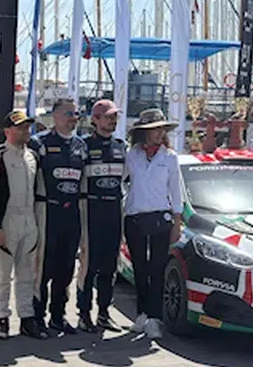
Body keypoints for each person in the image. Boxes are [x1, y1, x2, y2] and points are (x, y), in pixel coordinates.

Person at [124, 109, 183, 340]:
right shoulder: (131, 155)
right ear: (143, 133)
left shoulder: (169, 157)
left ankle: (155, 318)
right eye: (154, 130)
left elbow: (176, 191)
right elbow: (121, 180)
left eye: (161, 129)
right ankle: (141, 314)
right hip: (135, 216)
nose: (159, 133)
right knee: (139, 268)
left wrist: (177, 222)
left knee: (157, 269)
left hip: (160, 217)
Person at [32, 98, 88, 335]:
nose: (73, 118)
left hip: (71, 214)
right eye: (67, 114)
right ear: (54, 116)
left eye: (75, 114)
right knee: (43, 267)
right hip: (48, 213)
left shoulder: (81, 146)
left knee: (65, 268)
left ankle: (58, 316)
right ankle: (37, 317)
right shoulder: (39, 143)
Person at [0, 110, 44, 340]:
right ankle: (2, 319)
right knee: (3, 274)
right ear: (7, 131)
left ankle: (26, 318)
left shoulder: (33, 156)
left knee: (27, 273)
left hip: (29, 219)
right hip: (7, 219)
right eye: (20, 127)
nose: (25, 131)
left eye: (27, 127)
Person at [78, 99, 126, 332]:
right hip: (91, 211)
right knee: (89, 266)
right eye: (108, 117)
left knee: (110, 267)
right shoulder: (83, 145)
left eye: (115, 116)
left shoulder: (121, 146)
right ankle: (83, 314)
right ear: (95, 119)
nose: (113, 120)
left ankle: (104, 313)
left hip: (113, 211)